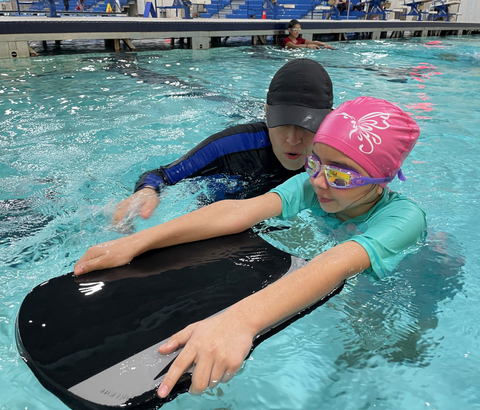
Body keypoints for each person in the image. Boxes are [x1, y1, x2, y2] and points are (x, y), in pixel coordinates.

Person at [75, 96, 426, 399]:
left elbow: (335, 263)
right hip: (336, 255)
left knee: (385, 354)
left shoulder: (404, 219)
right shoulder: (313, 186)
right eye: (314, 162)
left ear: (382, 178)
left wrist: (240, 321)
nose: (318, 180)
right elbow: (241, 211)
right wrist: (139, 241)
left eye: (342, 175)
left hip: (414, 281)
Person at [113, 59, 334, 224]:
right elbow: (161, 175)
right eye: (282, 123)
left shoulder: (336, 155)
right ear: (266, 115)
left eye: (307, 125)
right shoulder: (233, 145)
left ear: (329, 120)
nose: (293, 139)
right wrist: (147, 191)